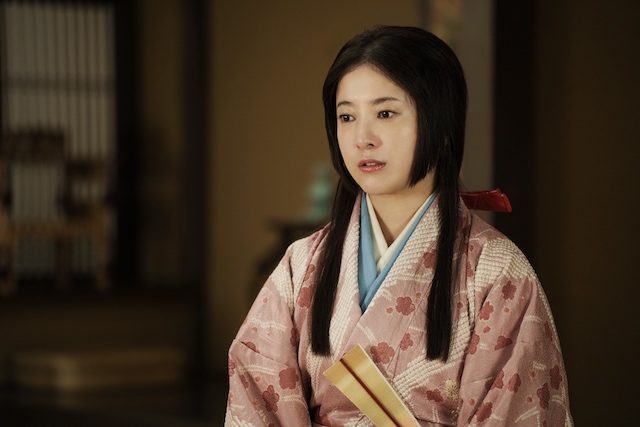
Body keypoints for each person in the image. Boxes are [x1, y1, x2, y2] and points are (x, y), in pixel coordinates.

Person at [225, 26, 573, 426]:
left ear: (441, 122)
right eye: (346, 116)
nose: (362, 138)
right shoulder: (301, 265)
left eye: (385, 113)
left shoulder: (498, 273)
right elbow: (256, 397)